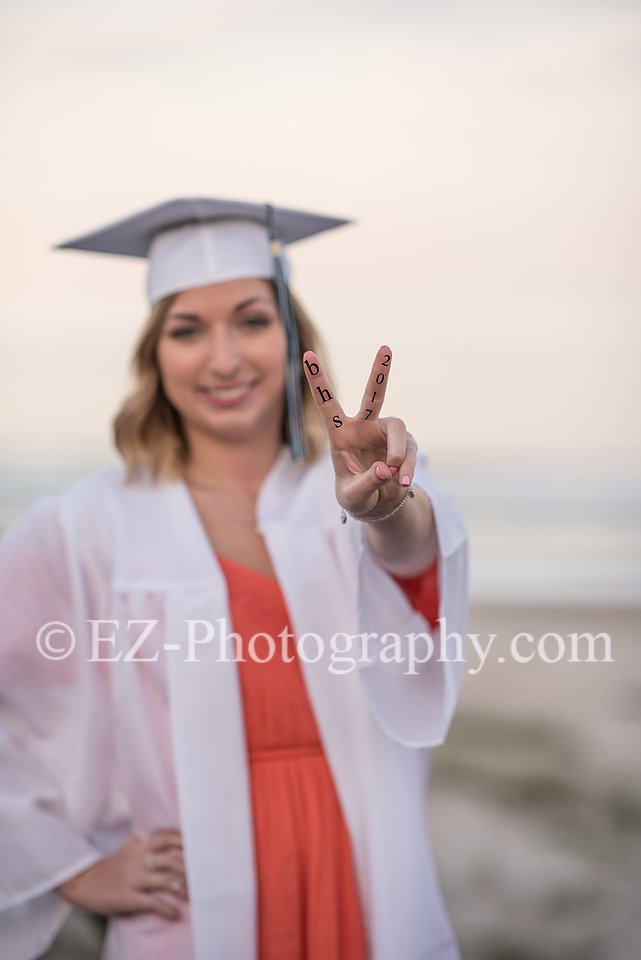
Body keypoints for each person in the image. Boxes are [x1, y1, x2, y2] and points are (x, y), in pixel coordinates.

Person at [0, 198, 468, 960]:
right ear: (155, 355)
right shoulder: (87, 526)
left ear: (293, 338)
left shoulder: (350, 491)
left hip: (361, 865)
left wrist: (386, 511)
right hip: (191, 900)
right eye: (187, 330)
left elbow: (417, 568)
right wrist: (67, 867)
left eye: (251, 320)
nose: (223, 359)